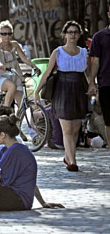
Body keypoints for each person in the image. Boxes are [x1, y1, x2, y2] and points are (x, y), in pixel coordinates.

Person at [35, 21, 88, 171]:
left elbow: (88, 73)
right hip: (62, 90)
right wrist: (37, 91)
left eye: (75, 32)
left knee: (76, 129)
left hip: (79, 89)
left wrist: (92, 85)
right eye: (69, 32)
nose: (72, 35)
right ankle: (72, 162)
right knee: (67, 130)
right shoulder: (58, 52)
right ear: (64, 34)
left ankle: (67, 155)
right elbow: (47, 72)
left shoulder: (84, 52)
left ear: (79, 35)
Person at [0, 20, 41, 107]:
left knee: (22, 104)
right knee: (12, 86)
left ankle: (18, 119)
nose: (7, 36)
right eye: (4, 34)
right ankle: (5, 108)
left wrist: (34, 66)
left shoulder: (15, 44)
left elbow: (24, 58)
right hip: (0, 75)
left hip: (15, 74)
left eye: (9, 34)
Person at [88, 6, 110, 148]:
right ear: (109, 15)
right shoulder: (99, 37)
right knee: (109, 120)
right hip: (106, 83)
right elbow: (95, 62)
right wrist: (91, 82)